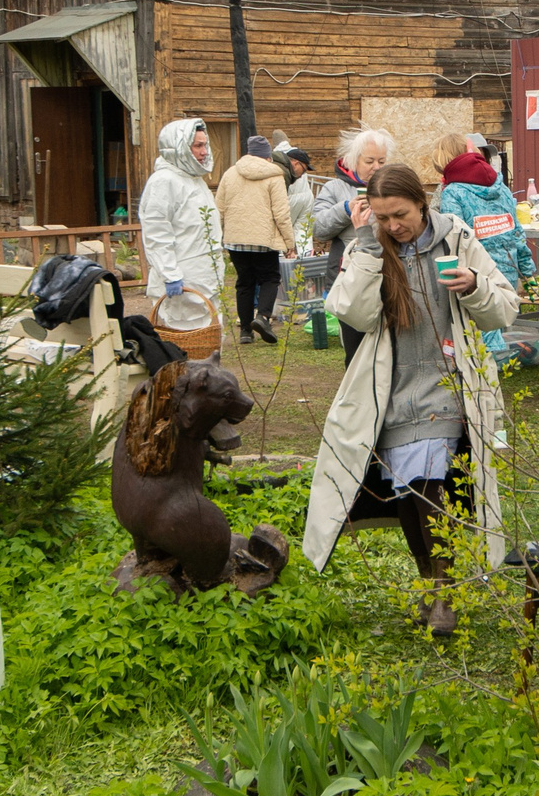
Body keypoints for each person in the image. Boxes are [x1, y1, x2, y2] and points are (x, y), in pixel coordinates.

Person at [303, 162, 520, 637]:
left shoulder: (456, 239)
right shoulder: (370, 247)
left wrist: (475, 286)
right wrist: (365, 245)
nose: (392, 226)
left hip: (448, 384)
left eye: (399, 214)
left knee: (428, 485)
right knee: (408, 492)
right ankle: (433, 583)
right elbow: (353, 314)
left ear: (423, 203)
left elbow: (504, 308)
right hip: (392, 388)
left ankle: (444, 594)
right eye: (382, 217)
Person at [431, 132, 531, 358]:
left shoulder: (453, 193)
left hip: (474, 275)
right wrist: (526, 269)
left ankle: (481, 381)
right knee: (495, 324)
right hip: (507, 271)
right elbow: (517, 232)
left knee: (477, 341)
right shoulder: (501, 186)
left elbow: (453, 239)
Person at [311, 126, 395, 358]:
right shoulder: (334, 188)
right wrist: (345, 208)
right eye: (369, 161)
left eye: (381, 161)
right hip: (350, 279)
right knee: (355, 349)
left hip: (390, 274)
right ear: (352, 160)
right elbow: (319, 228)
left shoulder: (392, 187)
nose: (376, 167)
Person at [216, 135, 293, 345]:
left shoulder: (230, 174)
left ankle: (245, 331)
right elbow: (281, 213)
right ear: (268, 156)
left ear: (248, 153)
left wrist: (220, 235)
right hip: (263, 239)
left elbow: (219, 208)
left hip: (235, 240)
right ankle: (263, 317)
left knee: (244, 282)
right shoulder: (274, 175)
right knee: (270, 278)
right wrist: (289, 243)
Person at [137, 118, 221, 306]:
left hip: (204, 278)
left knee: (209, 331)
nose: (204, 152)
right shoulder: (164, 182)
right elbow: (156, 232)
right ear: (179, 147)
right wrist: (170, 274)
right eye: (198, 146)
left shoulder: (194, 181)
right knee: (179, 332)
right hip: (182, 281)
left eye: (205, 145)